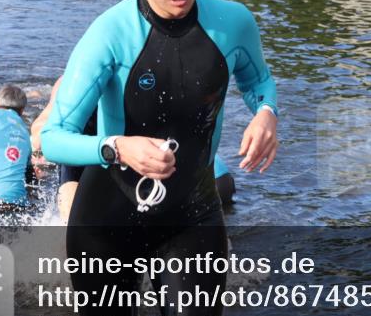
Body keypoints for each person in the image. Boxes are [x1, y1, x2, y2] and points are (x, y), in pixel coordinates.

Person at [41, 0, 278, 316]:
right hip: (107, 222)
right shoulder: (109, 33)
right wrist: (115, 147)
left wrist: (266, 113)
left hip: (192, 219)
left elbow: (259, 81)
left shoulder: (233, 23)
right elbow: (53, 137)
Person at [32, 75, 238, 223]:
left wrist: (39, 150)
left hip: (113, 156)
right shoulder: (140, 76)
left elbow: (43, 129)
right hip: (216, 179)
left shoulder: (71, 82)